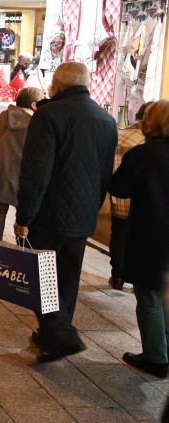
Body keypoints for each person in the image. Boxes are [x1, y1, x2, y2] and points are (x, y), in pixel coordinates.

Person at [15, 62, 118, 363]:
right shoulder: (106, 119)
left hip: (49, 213)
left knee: (43, 275)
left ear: (57, 85)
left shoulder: (48, 114)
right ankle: (52, 336)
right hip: (82, 216)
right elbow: (104, 174)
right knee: (69, 276)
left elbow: (35, 172)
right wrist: (91, 209)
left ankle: (59, 334)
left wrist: (24, 217)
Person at [110, 100, 169, 378]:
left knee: (149, 297)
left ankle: (156, 358)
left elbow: (119, 188)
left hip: (152, 237)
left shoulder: (144, 155)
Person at [0, 88, 44, 241]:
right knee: (23, 209)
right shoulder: (37, 122)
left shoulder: (3, 116)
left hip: (2, 170)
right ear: (34, 104)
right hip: (24, 174)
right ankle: (21, 240)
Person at [107, 101, 150, 289]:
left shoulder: (119, 134)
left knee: (118, 235)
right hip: (141, 200)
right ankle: (137, 280)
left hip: (118, 196)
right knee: (140, 239)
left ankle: (117, 276)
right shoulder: (147, 141)